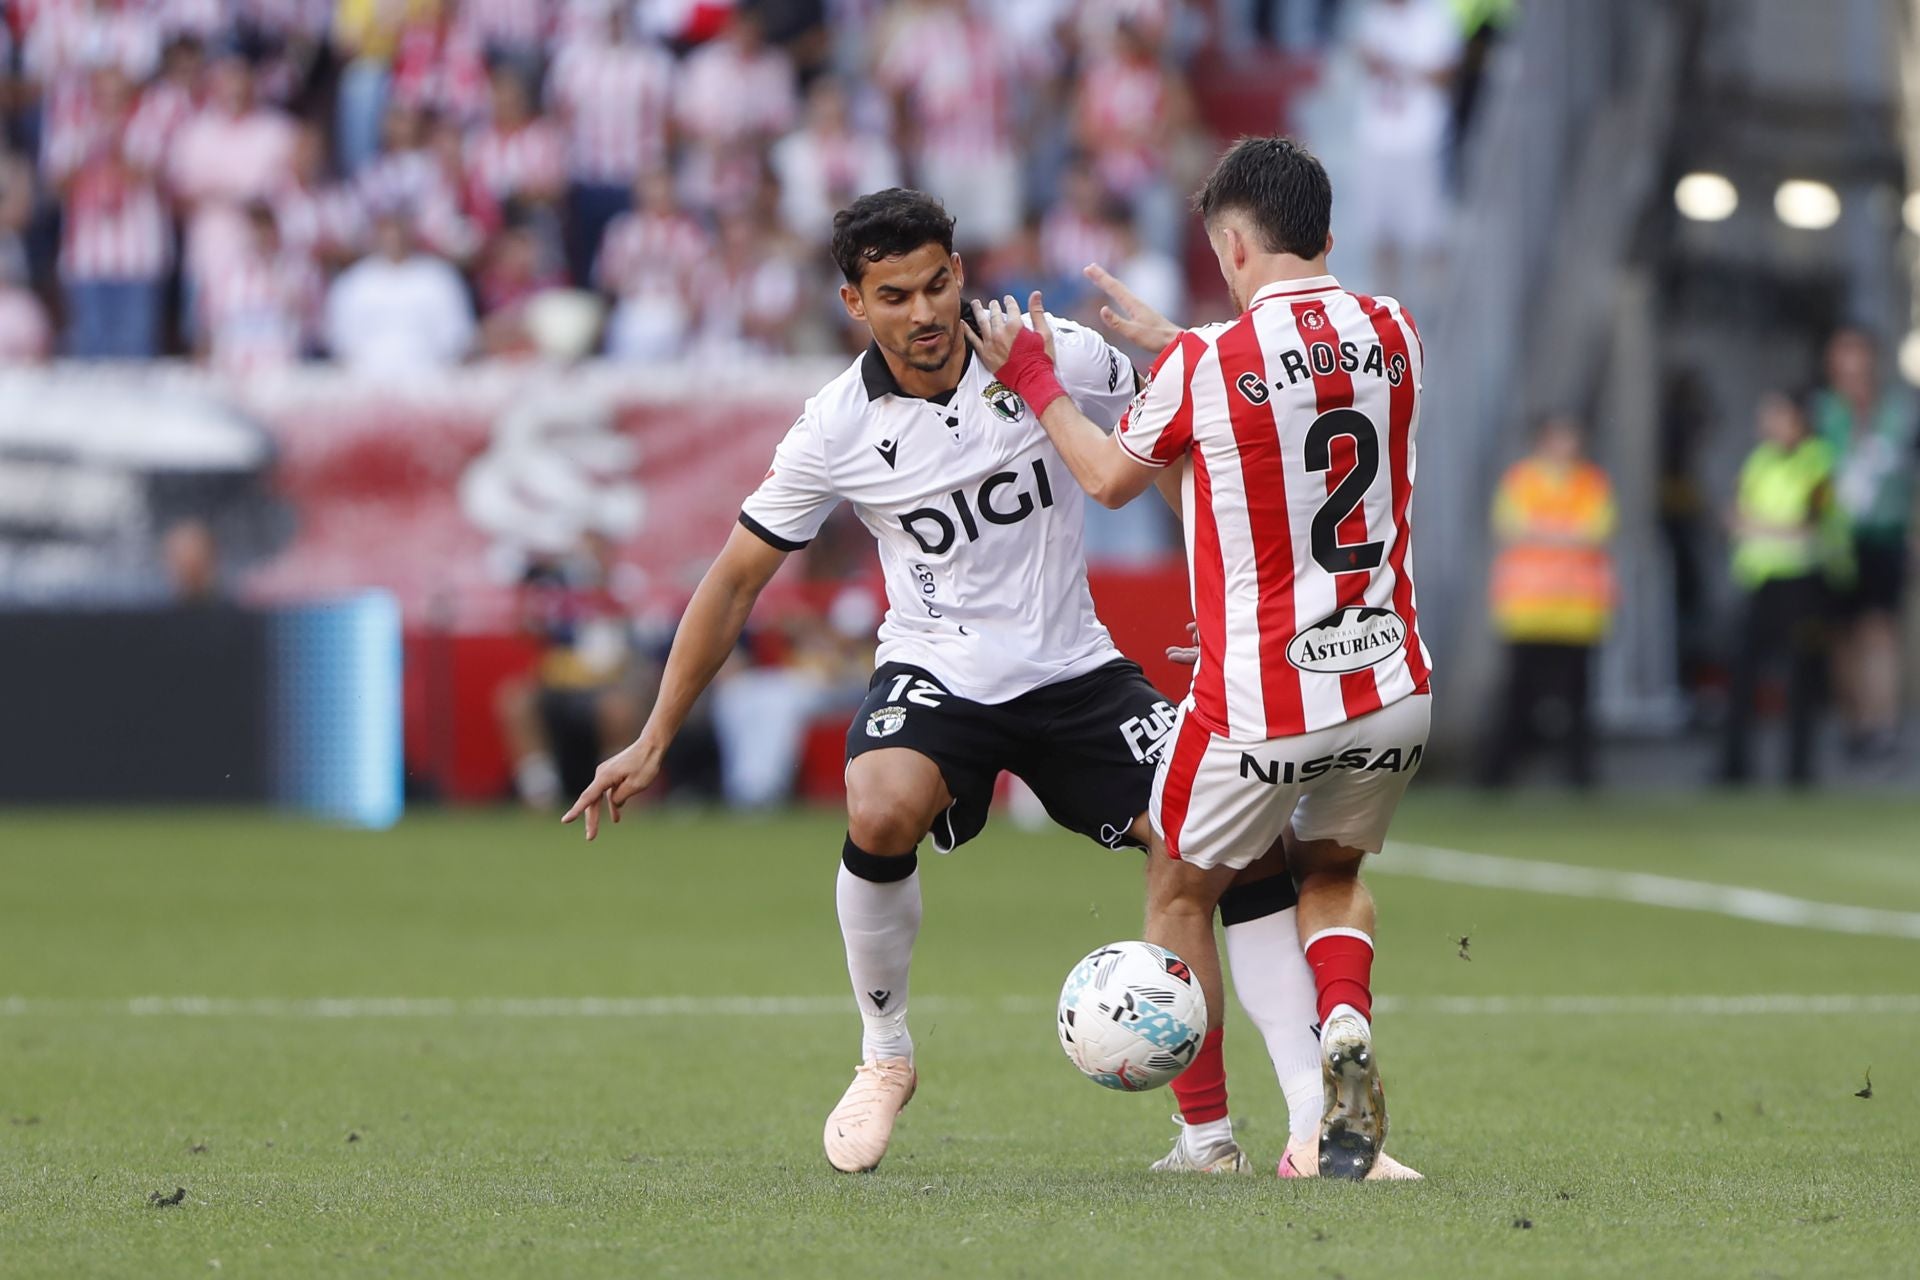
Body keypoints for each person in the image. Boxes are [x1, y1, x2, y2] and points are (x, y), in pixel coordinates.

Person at [564, 188, 1411, 1181]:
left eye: (937, 284)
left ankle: (1270, 1131)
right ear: (854, 303)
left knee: (1234, 846)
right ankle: (886, 1054)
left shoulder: (1049, 352)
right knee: (880, 805)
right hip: (941, 671)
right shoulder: (835, 426)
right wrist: (656, 733)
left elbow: (1187, 429)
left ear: (960, 272)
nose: (924, 313)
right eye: (894, 296)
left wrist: (1218, 586)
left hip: (1077, 669)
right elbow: (735, 578)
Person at [964, 136, 1431, 1180]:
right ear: (1327, 234)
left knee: (1179, 888)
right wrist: (1180, 343)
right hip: (1392, 685)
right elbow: (1298, 395)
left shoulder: (1206, 365)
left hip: (1262, 698)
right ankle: (1342, 1027)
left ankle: (1207, 1137)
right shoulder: (1396, 330)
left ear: (1231, 247)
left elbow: (1106, 477)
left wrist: (1031, 370)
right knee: (1331, 875)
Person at [1480, 415, 1616, 789]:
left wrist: (1539, 531)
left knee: (1578, 700)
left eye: (1572, 437)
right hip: (1528, 610)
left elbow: (1597, 532)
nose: (1568, 445)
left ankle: (1581, 779)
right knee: (1516, 697)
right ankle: (1494, 776)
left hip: (1578, 612)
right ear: (1542, 441)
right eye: (1560, 437)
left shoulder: (1591, 482)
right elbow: (1508, 528)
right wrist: (1568, 534)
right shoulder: (1521, 480)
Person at [1720, 393, 1839, 786]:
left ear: (1797, 419)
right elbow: (1737, 510)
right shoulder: (1759, 460)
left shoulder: (1817, 460)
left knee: (1800, 675)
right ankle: (1735, 767)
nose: (1767, 423)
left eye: (1776, 415)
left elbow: (1812, 522)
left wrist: (1756, 526)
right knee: (1742, 674)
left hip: (1801, 581)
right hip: (1759, 580)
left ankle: (1799, 771)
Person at [1813, 329, 1917, 763]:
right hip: (1836, 542)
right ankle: (1854, 722)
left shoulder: (1898, 412)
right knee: (1843, 636)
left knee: (1879, 630)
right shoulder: (1821, 412)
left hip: (1884, 534)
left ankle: (1882, 725)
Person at [322, 211, 475, 373]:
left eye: (398, 235)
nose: (394, 241)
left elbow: (456, 336)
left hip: (429, 375)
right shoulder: (354, 282)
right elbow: (341, 341)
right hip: (367, 376)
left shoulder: (438, 277)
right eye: (388, 236)